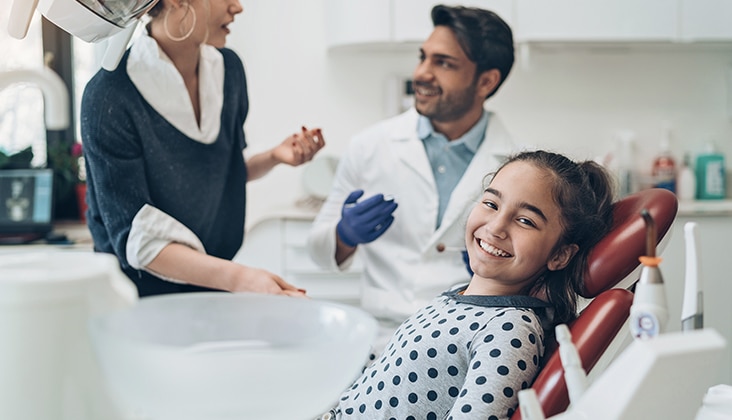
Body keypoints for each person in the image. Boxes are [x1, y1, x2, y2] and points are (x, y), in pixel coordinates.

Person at [322, 150, 616, 420]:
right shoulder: (456, 296)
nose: (496, 227)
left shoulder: (508, 328)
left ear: (560, 254)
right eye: (491, 203)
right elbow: (388, 373)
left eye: (525, 221)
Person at [81, 0, 325, 297]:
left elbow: (220, 169)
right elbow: (137, 237)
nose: (237, 7)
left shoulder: (230, 70)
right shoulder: (109, 97)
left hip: (213, 284)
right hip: (139, 301)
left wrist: (275, 156)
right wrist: (240, 279)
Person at [308, 4, 517, 343]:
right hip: (383, 338)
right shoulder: (370, 146)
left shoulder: (518, 166)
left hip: (470, 337)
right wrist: (345, 234)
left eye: (443, 63)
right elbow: (318, 250)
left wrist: (500, 271)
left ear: (486, 81)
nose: (421, 73)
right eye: (423, 57)